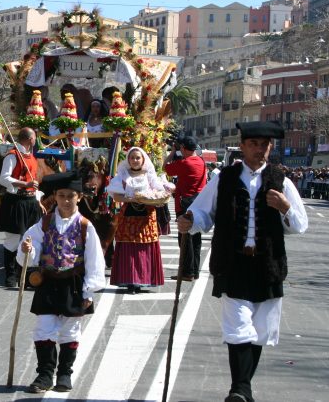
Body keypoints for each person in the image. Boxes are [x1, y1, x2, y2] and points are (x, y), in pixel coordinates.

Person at [177, 121, 308, 402]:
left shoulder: (281, 181)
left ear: (270, 147)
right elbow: (203, 213)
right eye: (253, 144)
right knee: (238, 329)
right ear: (243, 145)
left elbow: (300, 225)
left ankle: (242, 389)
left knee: (259, 332)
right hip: (232, 263)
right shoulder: (223, 178)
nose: (259, 150)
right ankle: (240, 390)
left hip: (268, 266)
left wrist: (285, 208)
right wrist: (190, 221)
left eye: (264, 145)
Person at [17, 171, 106, 393]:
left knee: (70, 330)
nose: (66, 201)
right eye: (62, 196)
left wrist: (88, 293)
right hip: (48, 283)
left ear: (79, 198)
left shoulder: (86, 226)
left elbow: (95, 260)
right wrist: (27, 249)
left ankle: (64, 374)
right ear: (55, 197)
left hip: (74, 285)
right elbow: (30, 246)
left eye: (71, 196)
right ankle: (45, 375)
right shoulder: (44, 223)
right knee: (44, 327)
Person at [105, 147, 166, 293]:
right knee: (129, 247)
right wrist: (131, 198)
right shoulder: (122, 174)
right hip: (128, 215)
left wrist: (151, 198)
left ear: (143, 159)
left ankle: (143, 279)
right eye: (132, 158)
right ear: (128, 160)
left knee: (144, 246)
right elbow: (116, 196)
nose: (135, 160)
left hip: (147, 214)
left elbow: (159, 192)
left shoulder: (149, 174)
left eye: (138, 157)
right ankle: (130, 281)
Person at [0, 127, 43, 287]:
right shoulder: (12, 155)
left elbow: (35, 185)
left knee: (32, 238)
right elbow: (3, 179)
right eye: (35, 138)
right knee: (12, 240)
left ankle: (26, 275)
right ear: (31, 139)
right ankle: (10, 277)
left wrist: (38, 200)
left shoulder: (31, 157)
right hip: (16, 202)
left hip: (31, 202)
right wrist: (25, 183)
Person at [163, 136, 207, 281]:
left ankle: (187, 272)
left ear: (183, 148)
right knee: (196, 239)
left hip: (185, 204)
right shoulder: (201, 161)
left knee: (185, 239)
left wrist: (171, 152)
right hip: (198, 203)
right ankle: (194, 270)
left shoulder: (185, 162)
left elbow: (166, 167)